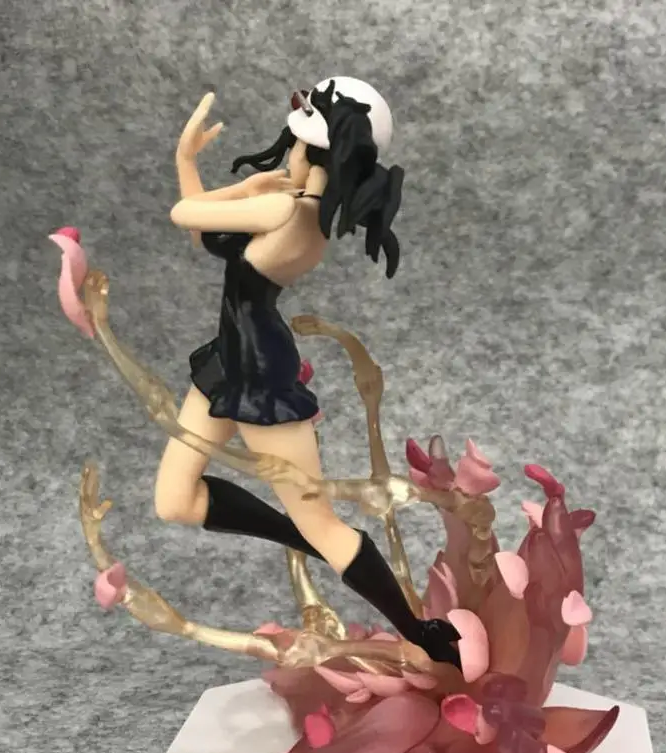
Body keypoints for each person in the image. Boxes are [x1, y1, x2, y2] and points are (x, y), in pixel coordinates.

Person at [156, 79, 462, 670]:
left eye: (292, 142)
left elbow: (182, 213)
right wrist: (191, 165)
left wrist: (229, 181)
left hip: (259, 372)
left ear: (311, 150)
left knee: (319, 520)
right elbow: (201, 231)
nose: (286, 153)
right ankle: (308, 541)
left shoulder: (283, 209)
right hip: (231, 358)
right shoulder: (303, 211)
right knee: (175, 500)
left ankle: (418, 631)